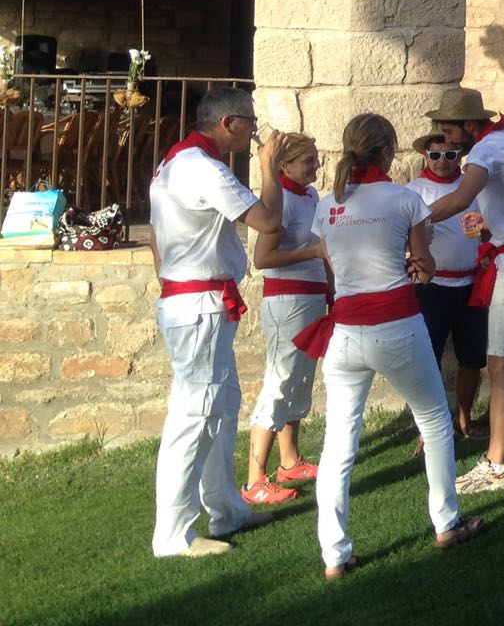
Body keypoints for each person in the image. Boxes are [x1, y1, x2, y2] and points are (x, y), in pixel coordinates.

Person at [295, 113, 484, 579]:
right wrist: (416, 267)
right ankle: (446, 523)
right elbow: (425, 265)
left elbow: (335, 267)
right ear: (386, 152)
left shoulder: (328, 205)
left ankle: (334, 555)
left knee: (339, 443)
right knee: (435, 421)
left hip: (344, 331)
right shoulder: (404, 200)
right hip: (397, 323)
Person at [148, 87, 286, 559]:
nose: (254, 130)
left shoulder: (174, 162)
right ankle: (173, 534)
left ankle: (226, 509)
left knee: (222, 405)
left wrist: (172, 278)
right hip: (199, 303)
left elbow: (155, 236)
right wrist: (270, 167)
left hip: (191, 299)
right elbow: (268, 221)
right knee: (195, 413)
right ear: (228, 123)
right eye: (250, 122)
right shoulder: (206, 168)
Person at [421, 88, 504, 495]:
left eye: (449, 131)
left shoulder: (484, 151)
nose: (447, 139)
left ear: (469, 125)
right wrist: (494, 220)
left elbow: (460, 198)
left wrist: (414, 218)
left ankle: (496, 464)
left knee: (500, 365)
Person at [242, 132, 326, 505]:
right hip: (287, 301)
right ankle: (254, 478)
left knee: (301, 379)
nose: (316, 165)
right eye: (308, 160)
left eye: (316, 158)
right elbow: (263, 259)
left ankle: (289, 461)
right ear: (285, 166)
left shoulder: (310, 196)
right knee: (279, 380)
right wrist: (312, 252)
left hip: (312, 297)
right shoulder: (282, 202)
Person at [406, 131, 489, 444]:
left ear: (460, 157)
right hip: (431, 287)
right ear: (425, 156)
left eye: (451, 155)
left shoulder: (470, 189)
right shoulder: (413, 192)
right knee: (428, 360)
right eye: (436, 155)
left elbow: (481, 230)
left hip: (471, 284)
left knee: (473, 360)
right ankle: (427, 431)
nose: (443, 161)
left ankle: (463, 419)